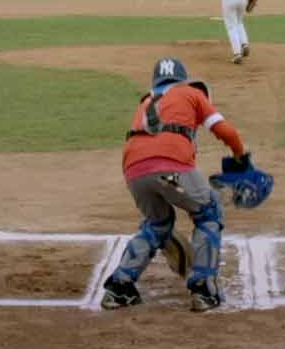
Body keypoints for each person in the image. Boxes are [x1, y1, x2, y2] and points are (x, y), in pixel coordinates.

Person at [99, 57, 250, 313]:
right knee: (209, 211)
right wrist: (239, 156)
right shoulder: (191, 93)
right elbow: (228, 132)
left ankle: (119, 287)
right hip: (170, 168)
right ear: (183, 79)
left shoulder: (147, 100)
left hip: (134, 171)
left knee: (158, 223)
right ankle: (203, 289)